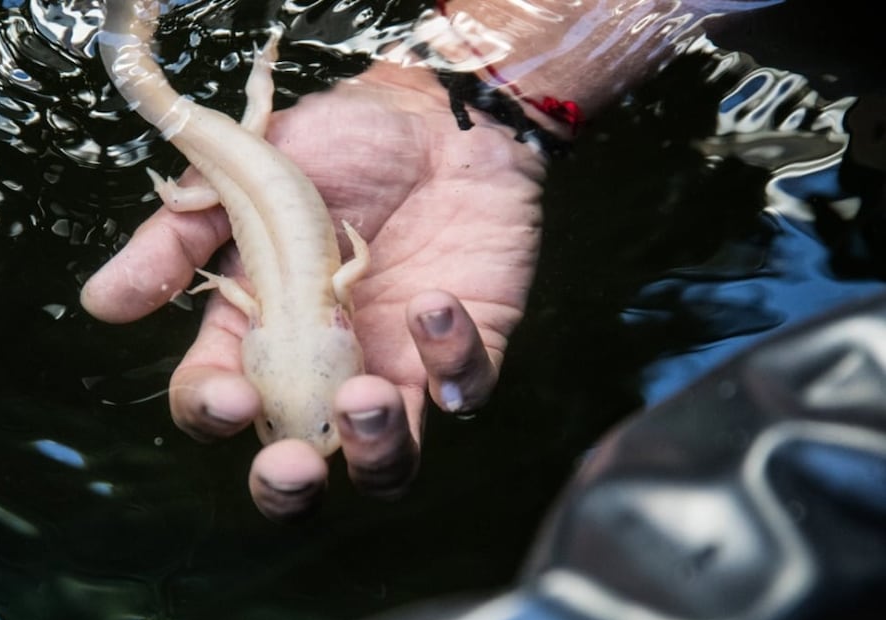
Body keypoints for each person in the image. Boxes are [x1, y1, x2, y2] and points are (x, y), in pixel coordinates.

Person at [80, 0, 780, 520]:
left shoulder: (320, 299)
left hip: (244, 169)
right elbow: (268, 289)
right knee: (229, 147)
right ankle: (236, 92)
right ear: (345, 326)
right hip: (243, 169)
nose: (317, 431)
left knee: (214, 153)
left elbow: (327, 275)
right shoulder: (276, 306)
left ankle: (189, 114)